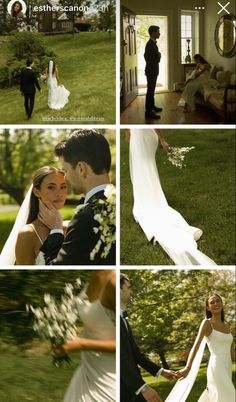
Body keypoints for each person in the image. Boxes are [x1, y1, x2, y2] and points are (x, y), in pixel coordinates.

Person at [127, 128, 216, 265]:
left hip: (140, 136)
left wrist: (131, 133)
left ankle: (148, 196)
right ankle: (150, 196)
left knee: (145, 167)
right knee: (145, 167)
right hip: (140, 136)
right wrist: (162, 140)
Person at [39, 129, 116, 265]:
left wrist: (56, 229)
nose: (65, 177)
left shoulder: (85, 218)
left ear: (81, 168)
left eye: (66, 171)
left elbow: (56, 268)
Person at [53, 269, 116, 402]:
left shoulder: (113, 283)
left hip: (108, 381)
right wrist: (61, 336)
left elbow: (124, 342)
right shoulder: (95, 272)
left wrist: (81, 344)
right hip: (87, 372)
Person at [120, 273, 177, 402]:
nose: (131, 291)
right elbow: (119, 359)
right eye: (128, 287)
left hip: (131, 388)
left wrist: (161, 371)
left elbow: (136, 354)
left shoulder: (123, 320)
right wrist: (142, 387)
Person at [172, 293, 236, 402]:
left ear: (222, 303)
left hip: (227, 367)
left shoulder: (227, 325)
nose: (216, 304)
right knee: (230, 396)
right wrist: (188, 368)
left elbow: (233, 355)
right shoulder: (207, 323)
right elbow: (195, 347)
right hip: (216, 367)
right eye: (212, 302)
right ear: (208, 308)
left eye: (218, 301)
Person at [0, 167, 67, 266]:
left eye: (63, 187)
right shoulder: (28, 234)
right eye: (51, 187)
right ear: (36, 192)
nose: (59, 193)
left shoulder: (71, 227)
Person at [144, 25, 163, 120]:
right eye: (158, 32)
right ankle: (148, 112)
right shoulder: (149, 44)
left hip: (153, 70)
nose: (159, 33)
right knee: (150, 91)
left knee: (152, 91)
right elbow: (148, 58)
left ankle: (152, 107)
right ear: (153, 33)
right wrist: (159, 56)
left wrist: (157, 56)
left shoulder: (153, 43)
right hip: (151, 71)